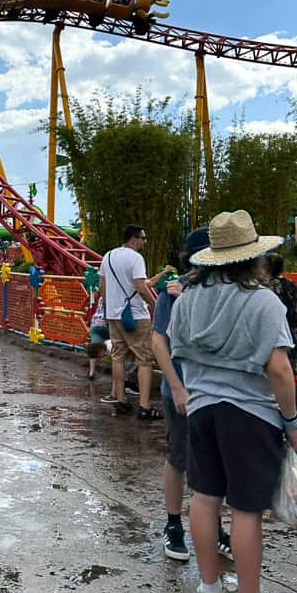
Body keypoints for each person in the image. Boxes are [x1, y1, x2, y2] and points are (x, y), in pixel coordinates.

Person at [168, 209, 297, 593]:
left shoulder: (187, 298)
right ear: (252, 257)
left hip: (202, 409)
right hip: (250, 415)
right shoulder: (263, 300)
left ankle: (209, 590)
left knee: (204, 498)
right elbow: (279, 369)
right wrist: (292, 421)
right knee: (246, 509)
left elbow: (177, 350)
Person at [151, 227, 233, 563]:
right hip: (182, 390)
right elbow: (159, 342)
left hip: (216, 392)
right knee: (179, 456)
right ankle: (173, 525)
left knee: (215, 461)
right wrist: (176, 387)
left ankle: (214, 527)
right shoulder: (172, 293)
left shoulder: (227, 289)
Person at [98, 225, 158, 417]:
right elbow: (140, 286)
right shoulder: (135, 258)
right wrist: (154, 304)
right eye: (143, 238)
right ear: (134, 239)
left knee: (118, 357)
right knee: (144, 359)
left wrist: (110, 309)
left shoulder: (107, 256)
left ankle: (121, 400)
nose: (144, 242)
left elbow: (102, 285)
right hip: (135, 315)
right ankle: (144, 406)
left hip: (115, 315)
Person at [267, 252, 297, 371]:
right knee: (290, 366)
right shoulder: (291, 284)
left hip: (271, 332)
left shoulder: (263, 287)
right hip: (291, 330)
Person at [85, 298, 109, 379]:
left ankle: (91, 372)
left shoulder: (101, 296)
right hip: (108, 324)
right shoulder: (115, 293)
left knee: (94, 348)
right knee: (118, 351)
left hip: (96, 323)